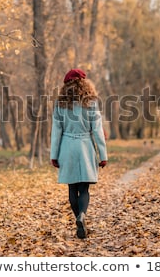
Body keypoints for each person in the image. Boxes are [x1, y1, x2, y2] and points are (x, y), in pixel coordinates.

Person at [50, 68, 108, 239]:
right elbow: (97, 130)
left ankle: (78, 218)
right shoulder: (91, 102)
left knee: (72, 187)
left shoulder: (60, 103)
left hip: (67, 146)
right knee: (84, 189)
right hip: (85, 147)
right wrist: (103, 155)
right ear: (84, 83)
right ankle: (82, 216)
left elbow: (56, 131)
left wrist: (54, 154)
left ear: (66, 85)